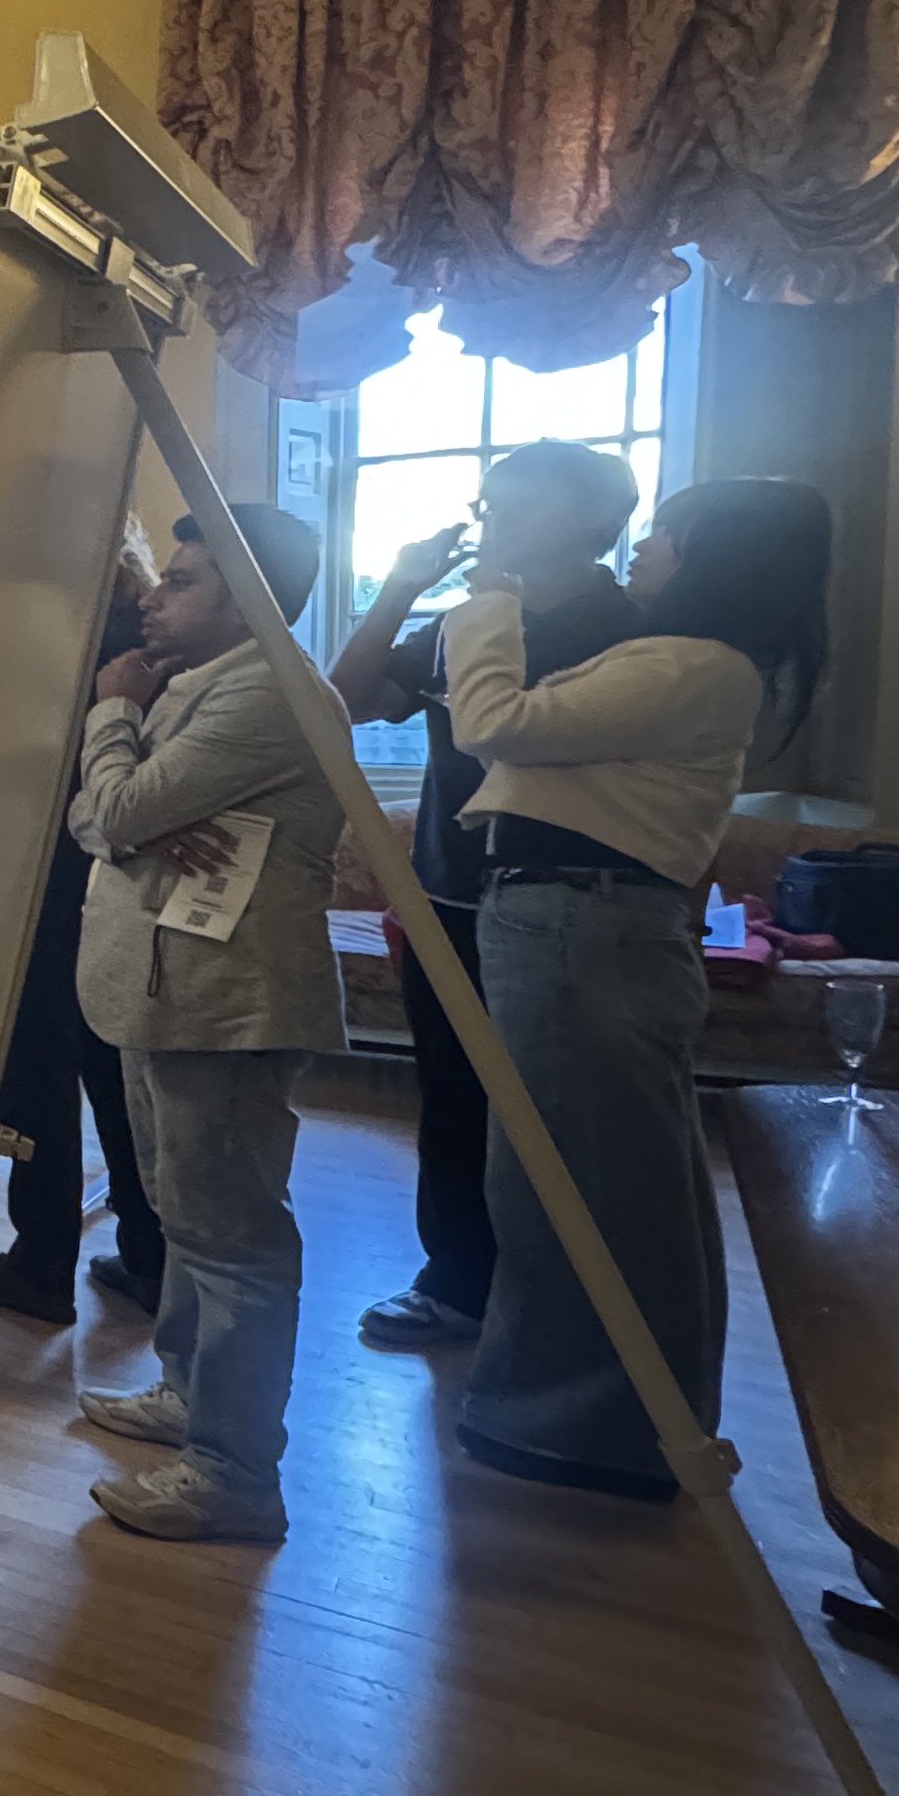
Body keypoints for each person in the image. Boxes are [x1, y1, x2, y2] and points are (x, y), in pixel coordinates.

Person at [450, 478, 830, 1499]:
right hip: (578, 920)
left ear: (715, 558)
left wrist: (488, 603)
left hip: (586, 924)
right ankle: (605, 1416)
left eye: (668, 534)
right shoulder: (682, 659)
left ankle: (584, 1426)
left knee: (580, 1178)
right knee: (594, 1170)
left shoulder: (695, 664)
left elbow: (492, 720)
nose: (645, 548)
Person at [66, 504, 342, 1546]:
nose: (153, 595)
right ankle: (189, 1396)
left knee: (232, 1239)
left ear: (252, 598)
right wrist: (131, 807)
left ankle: (234, 1472)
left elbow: (116, 810)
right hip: (165, 994)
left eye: (182, 581)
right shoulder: (194, 684)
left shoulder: (270, 691)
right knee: (186, 1217)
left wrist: (111, 717)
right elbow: (93, 819)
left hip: (225, 1004)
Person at [329, 440, 644, 1349]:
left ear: (596, 520)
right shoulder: (459, 624)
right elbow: (342, 700)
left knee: (558, 1108)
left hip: (560, 898)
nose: (493, 515)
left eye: (521, 500)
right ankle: (458, 1283)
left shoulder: (631, 633)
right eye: (489, 499)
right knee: (453, 1097)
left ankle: (568, 1301)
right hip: (447, 896)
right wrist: (401, 585)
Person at [0, 539, 169, 1326]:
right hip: (114, 884)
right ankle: (149, 1255)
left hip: (45, 876)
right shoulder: (140, 634)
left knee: (37, 1075)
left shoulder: (47, 638)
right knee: (113, 1072)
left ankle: (41, 1261)